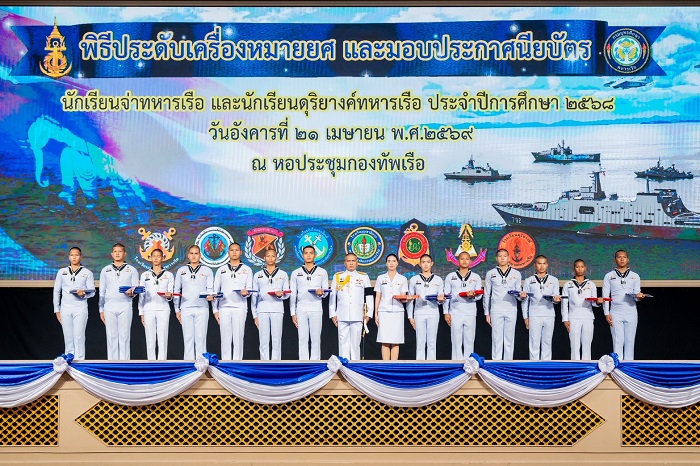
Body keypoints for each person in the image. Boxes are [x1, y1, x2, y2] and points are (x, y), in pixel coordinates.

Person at [329, 253, 374, 360]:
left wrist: (369, 313)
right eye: (348, 261)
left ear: (357, 263)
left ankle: (354, 365)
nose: (351, 263)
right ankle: (343, 365)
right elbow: (332, 296)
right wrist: (332, 313)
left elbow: (369, 296)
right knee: (343, 342)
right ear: (344, 263)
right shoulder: (337, 276)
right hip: (342, 314)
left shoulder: (363, 276)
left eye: (353, 261)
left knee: (355, 343)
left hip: (357, 315)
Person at [53, 246, 95, 360]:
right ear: (69, 257)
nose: (74, 257)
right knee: (68, 336)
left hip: (80, 308)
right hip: (65, 308)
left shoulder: (87, 273)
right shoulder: (62, 272)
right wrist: (57, 310)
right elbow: (57, 291)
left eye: (76, 255)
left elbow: (92, 291)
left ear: (81, 257)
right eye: (72, 255)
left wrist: (83, 294)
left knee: (79, 336)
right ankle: (68, 359)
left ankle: (80, 359)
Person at [98, 243, 139, 360]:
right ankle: (112, 363)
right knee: (111, 336)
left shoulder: (132, 270)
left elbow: (135, 289)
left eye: (120, 251)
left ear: (124, 254)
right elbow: (102, 291)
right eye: (115, 251)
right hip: (109, 307)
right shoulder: (105, 270)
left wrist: (132, 293)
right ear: (112, 254)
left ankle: (125, 363)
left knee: (124, 336)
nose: (117, 253)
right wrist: (101, 309)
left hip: (125, 306)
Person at [602, 250, 646, 360]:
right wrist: (606, 313)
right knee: (617, 339)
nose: (622, 259)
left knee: (630, 340)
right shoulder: (609, 276)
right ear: (615, 260)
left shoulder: (635, 276)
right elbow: (605, 296)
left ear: (628, 259)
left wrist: (639, 297)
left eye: (624, 257)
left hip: (630, 311)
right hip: (615, 312)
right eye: (619, 257)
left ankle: (629, 365)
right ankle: (618, 365)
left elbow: (636, 295)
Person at [213, 242, 252, 360]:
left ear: (241, 252)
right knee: (225, 338)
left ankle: (237, 363)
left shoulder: (247, 269)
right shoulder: (221, 270)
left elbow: (250, 289)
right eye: (232, 250)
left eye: (237, 250)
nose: (234, 252)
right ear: (228, 252)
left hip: (240, 307)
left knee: (238, 338)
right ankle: (225, 364)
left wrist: (246, 292)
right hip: (224, 307)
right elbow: (215, 291)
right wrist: (215, 310)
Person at [174, 245, 214, 360]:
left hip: (202, 308)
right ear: (188, 255)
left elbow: (210, 289)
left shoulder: (207, 270)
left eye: (196, 253)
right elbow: (176, 290)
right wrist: (177, 309)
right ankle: (188, 364)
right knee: (188, 337)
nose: (194, 256)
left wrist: (211, 296)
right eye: (191, 253)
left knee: (201, 338)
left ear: (200, 255)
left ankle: (202, 364)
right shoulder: (181, 270)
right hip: (186, 307)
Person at [290, 245, 329, 360]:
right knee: (302, 338)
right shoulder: (295, 273)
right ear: (302, 255)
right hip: (301, 308)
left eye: (311, 253)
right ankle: (303, 363)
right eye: (306, 253)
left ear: (315, 255)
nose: (308, 255)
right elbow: (293, 294)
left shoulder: (322, 272)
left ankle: (315, 363)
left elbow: (326, 292)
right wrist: (293, 313)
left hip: (316, 307)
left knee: (315, 338)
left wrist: (321, 293)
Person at [483, 248, 522, 360]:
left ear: (509, 258)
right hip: (496, 309)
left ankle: (508, 363)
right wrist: (487, 313)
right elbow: (487, 294)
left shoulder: (516, 274)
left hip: (511, 309)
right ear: (496, 258)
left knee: (509, 338)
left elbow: (518, 293)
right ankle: (496, 362)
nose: (502, 258)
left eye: (505, 256)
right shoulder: (491, 273)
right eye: (500, 256)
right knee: (496, 338)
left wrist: (521, 296)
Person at [444, 251, 483, 360]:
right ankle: (456, 363)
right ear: (458, 261)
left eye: (467, 259)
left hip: (470, 312)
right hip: (455, 312)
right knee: (456, 341)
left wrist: (473, 295)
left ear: (470, 261)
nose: (464, 261)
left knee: (469, 340)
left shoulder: (476, 277)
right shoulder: (450, 276)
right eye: (462, 259)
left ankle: (469, 364)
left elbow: (479, 294)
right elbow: (446, 295)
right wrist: (446, 312)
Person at [251, 248, 289, 360]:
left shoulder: (283, 274)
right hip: (262, 309)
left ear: (276, 258)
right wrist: (254, 315)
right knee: (263, 338)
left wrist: (280, 295)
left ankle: (276, 363)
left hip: (277, 309)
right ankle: (264, 362)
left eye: (273, 256)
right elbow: (254, 296)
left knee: (276, 338)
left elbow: (287, 293)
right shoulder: (257, 275)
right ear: (264, 258)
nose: (270, 258)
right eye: (268, 256)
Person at [522, 255, 561, 361]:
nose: (542, 266)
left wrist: (556, 300)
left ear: (547, 265)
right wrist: (525, 317)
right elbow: (525, 300)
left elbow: (556, 297)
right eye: (539, 263)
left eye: (544, 263)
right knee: (534, 342)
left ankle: (546, 366)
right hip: (534, 315)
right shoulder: (529, 280)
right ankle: (534, 366)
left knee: (547, 342)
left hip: (549, 314)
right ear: (535, 265)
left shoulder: (554, 280)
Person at [138, 248, 174, 360]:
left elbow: (171, 293)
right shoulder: (144, 275)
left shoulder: (169, 275)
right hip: (148, 309)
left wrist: (169, 295)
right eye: (154, 256)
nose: (156, 258)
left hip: (163, 309)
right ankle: (151, 363)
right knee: (150, 338)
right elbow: (141, 295)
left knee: (162, 338)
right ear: (150, 258)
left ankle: (162, 362)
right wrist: (141, 312)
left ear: (163, 258)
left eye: (158, 256)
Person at [408, 254, 444, 360]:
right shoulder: (414, 279)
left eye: (428, 262)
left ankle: (431, 364)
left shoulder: (438, 280)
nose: (426, 264)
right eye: (423, 262)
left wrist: (441, 300)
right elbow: (410, 299)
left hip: (433, 312)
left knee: (432, 342)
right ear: (420, 264)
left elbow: (441, 298)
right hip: (419, 312)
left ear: (432, 263)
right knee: (420, 341)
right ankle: (420, 365)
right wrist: (410, 316)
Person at [561, 259, 598, 360]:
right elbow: (564, 303)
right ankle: (575, 366)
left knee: (587, 345)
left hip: (588, 317)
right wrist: (565, 319)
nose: (580, 269)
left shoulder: (591, 284)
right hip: (573, 317)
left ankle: (587, 366)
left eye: (582, 267)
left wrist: (598, 302)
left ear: (585, 268)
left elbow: (594, 303)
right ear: (574, 268)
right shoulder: (568, 284)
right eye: (577, 267)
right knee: (574, 345)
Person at [374, 254, 409, 360]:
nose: (391, 263)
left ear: (397, 263)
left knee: (395, 340)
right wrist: (376, 313)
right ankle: (385, 365)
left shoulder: (403, 279)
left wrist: (406, 298)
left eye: (394, 261)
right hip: (384, 311)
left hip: (398, 311)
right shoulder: (380, 278)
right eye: (389, 261)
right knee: (384, 339)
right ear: (386, 263)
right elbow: (378, 296)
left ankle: (394, 364)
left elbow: (403, 296)